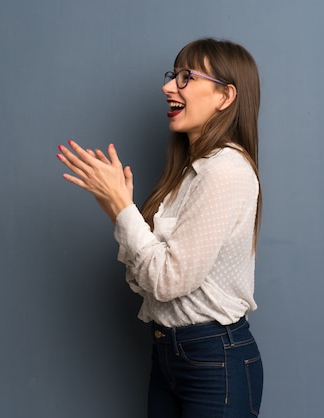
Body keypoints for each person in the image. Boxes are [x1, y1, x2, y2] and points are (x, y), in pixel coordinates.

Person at [57, 38, 263, 418]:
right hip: (171, 354)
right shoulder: (189, 173)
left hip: (213, 359)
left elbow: (167, 281)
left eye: (186, 77)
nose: (169, 87)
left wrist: (123, 209)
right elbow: (146, 282)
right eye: (173, 75)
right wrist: (118, 210)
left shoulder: (226, 171)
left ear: (225, 96)